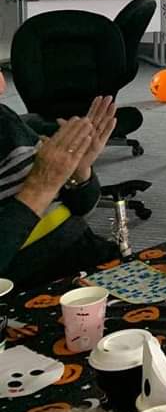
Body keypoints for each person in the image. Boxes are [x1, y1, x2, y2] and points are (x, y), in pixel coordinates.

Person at [0, 83, 120, 287]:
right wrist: (38, 189)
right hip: (27, 282)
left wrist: (79, 174)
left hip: (84, 250)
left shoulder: (5, 119)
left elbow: (82, 207)